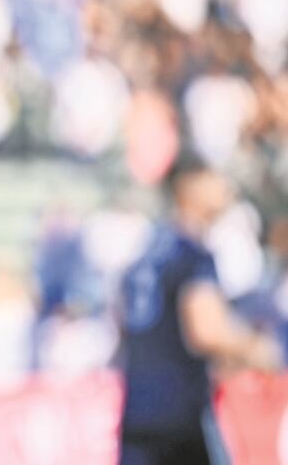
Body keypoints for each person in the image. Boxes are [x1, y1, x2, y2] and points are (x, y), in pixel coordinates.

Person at [118, 162, 282, 465]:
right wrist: (260, 350)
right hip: (179, 419)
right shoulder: (191, 254)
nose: (226, 189)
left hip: (138, 411)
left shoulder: (147, 251)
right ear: (190, 187)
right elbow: (207, 331)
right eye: (215, 179)